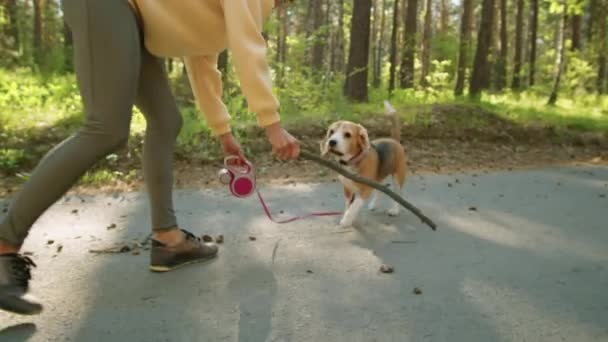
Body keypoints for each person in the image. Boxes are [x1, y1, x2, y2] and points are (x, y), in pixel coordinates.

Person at [0, 0, 299, 315]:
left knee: (166, 121)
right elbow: (248, 49)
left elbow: (200, 56)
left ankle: (168, 238)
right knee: (105, 128)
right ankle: (5, 243)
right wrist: (272, 124)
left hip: (133, 16)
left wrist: (223, 132)